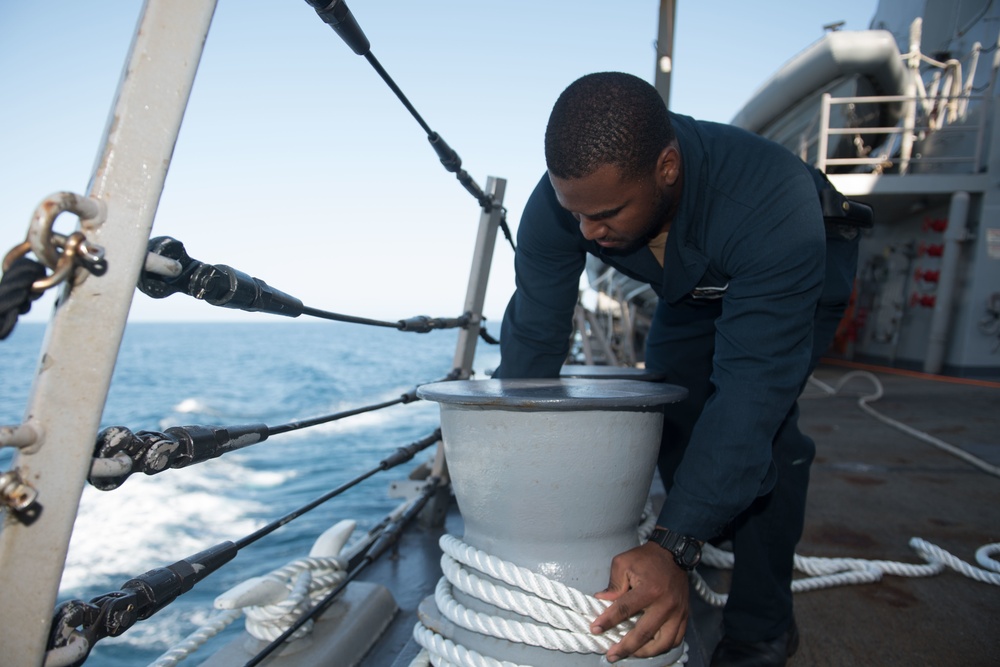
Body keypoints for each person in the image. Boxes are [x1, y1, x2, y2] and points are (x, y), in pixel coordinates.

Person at [493, 72, 861, 666]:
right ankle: (708, 516)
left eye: (606, 213)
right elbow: (535, 337)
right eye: (575, 214)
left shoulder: (769, 204)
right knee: (672, 403)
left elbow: (749, 396)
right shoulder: (565, 208)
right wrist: (509, 456)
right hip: (690, 286)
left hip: (790, 261)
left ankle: (762, 624)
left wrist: (673, 545)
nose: (587, 234)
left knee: (768, 439)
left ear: (667, 168)